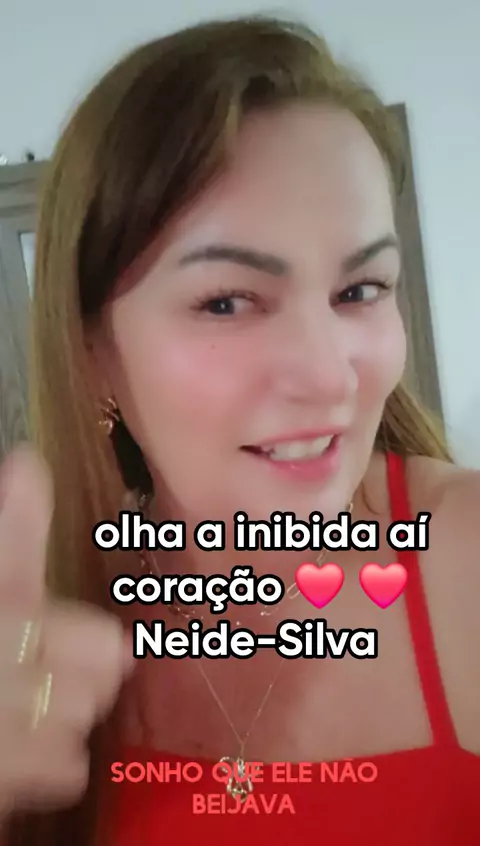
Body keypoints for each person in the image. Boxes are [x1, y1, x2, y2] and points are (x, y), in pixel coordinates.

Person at [1, 13, 479, 846]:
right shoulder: (40, 621)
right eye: (226, 301)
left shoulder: (464, 558)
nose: (330, 377)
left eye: (361, 289)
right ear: (93, 352)